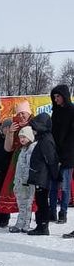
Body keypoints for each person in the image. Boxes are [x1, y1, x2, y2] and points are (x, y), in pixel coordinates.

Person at [0, 100, 32, 222]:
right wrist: (10, 133)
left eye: (23, 113)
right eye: (19, 113)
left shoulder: (34, 124)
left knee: (30, 192)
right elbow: (7, 148)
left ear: (28, 113)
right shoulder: (14, 125)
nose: (21, 116)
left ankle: (29, 220)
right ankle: (16, 219)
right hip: (17, 160)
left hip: (31, 160)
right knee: (15, 189)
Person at [27, 113, 59, 236]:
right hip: (40, 175)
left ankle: (43, 226)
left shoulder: (46, 140)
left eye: (35, 127)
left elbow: (50, 159)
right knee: (40, 201)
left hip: (42, 176)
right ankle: (40, 224)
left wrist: (55, 175)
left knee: (42, 202)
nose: (33, 130)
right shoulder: (42, 139)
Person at [49, 85, 74, 224]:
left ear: (64, 96)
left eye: (58, 96)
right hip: (54, 154)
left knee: (65, 186)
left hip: (68, 155)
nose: (56, 99)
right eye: (54, 97)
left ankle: (63, 212)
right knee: (52, 186)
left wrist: (65, 154)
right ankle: (51, 212)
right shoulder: (55, 112)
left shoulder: (72, 110)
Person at [9, 126, 36, 232]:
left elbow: (28, 166)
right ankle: (22, 224)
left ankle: (24, 225)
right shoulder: (23, 149)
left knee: (26, 204)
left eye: (24, 137)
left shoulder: (31, 149)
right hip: (20, 181)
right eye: (20, 137)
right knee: (22, 204)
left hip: (26, 182)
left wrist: (25, 179)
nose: (22, 139)